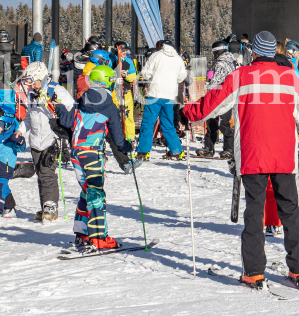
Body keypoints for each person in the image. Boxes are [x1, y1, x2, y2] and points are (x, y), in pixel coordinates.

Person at [183, 30, 299, 290]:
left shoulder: (241, 76)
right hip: (283, 156)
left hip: (252, 154)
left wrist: (187, 112)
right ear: (274, 52)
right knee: (290, 210)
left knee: (254, 211)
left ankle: (254, 272)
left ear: (252, 52)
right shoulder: (289, 77)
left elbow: (212, 105)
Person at [54, 65, 133, 250]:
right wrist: (127, 147)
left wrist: (58, 107)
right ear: (107, 82)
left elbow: (67, 121)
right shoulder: (110, 106)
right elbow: (118, 138)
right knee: (96, 193)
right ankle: (98, 237)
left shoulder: (82, 99)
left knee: (86, 191)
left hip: (76, 153)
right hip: (92, 153)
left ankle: (82, 233)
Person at [15, 62, 76, 221]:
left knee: (48, 171)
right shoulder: (31, 94)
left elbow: (70, 111)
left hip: (52, 138)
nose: (32, 86)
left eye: (34, 82)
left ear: (42, 78)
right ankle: (46, 206)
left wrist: (58, 109)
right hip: (35, 139)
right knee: (40, 173)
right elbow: (29, 117)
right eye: (29, 83)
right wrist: (21, 130)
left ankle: (51, 204)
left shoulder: (56, 90)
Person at [135, 39, 188, 162]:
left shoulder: (156, 55)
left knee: (148, 123)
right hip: (169, 95)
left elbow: (146, 73)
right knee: (168, 124)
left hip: (155, 93)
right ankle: (176, 151)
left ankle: (143, 151)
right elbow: (182, 76)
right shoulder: (178, 58)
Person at [197, 40, 238, 158]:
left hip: (218, 97)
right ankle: (228, 148)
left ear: (217, 52)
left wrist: (209, 84)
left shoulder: (220, 63)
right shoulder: (231, 62)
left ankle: (210, 148)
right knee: (225, 123)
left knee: (213, 122)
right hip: (228, 97)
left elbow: (216, 82)